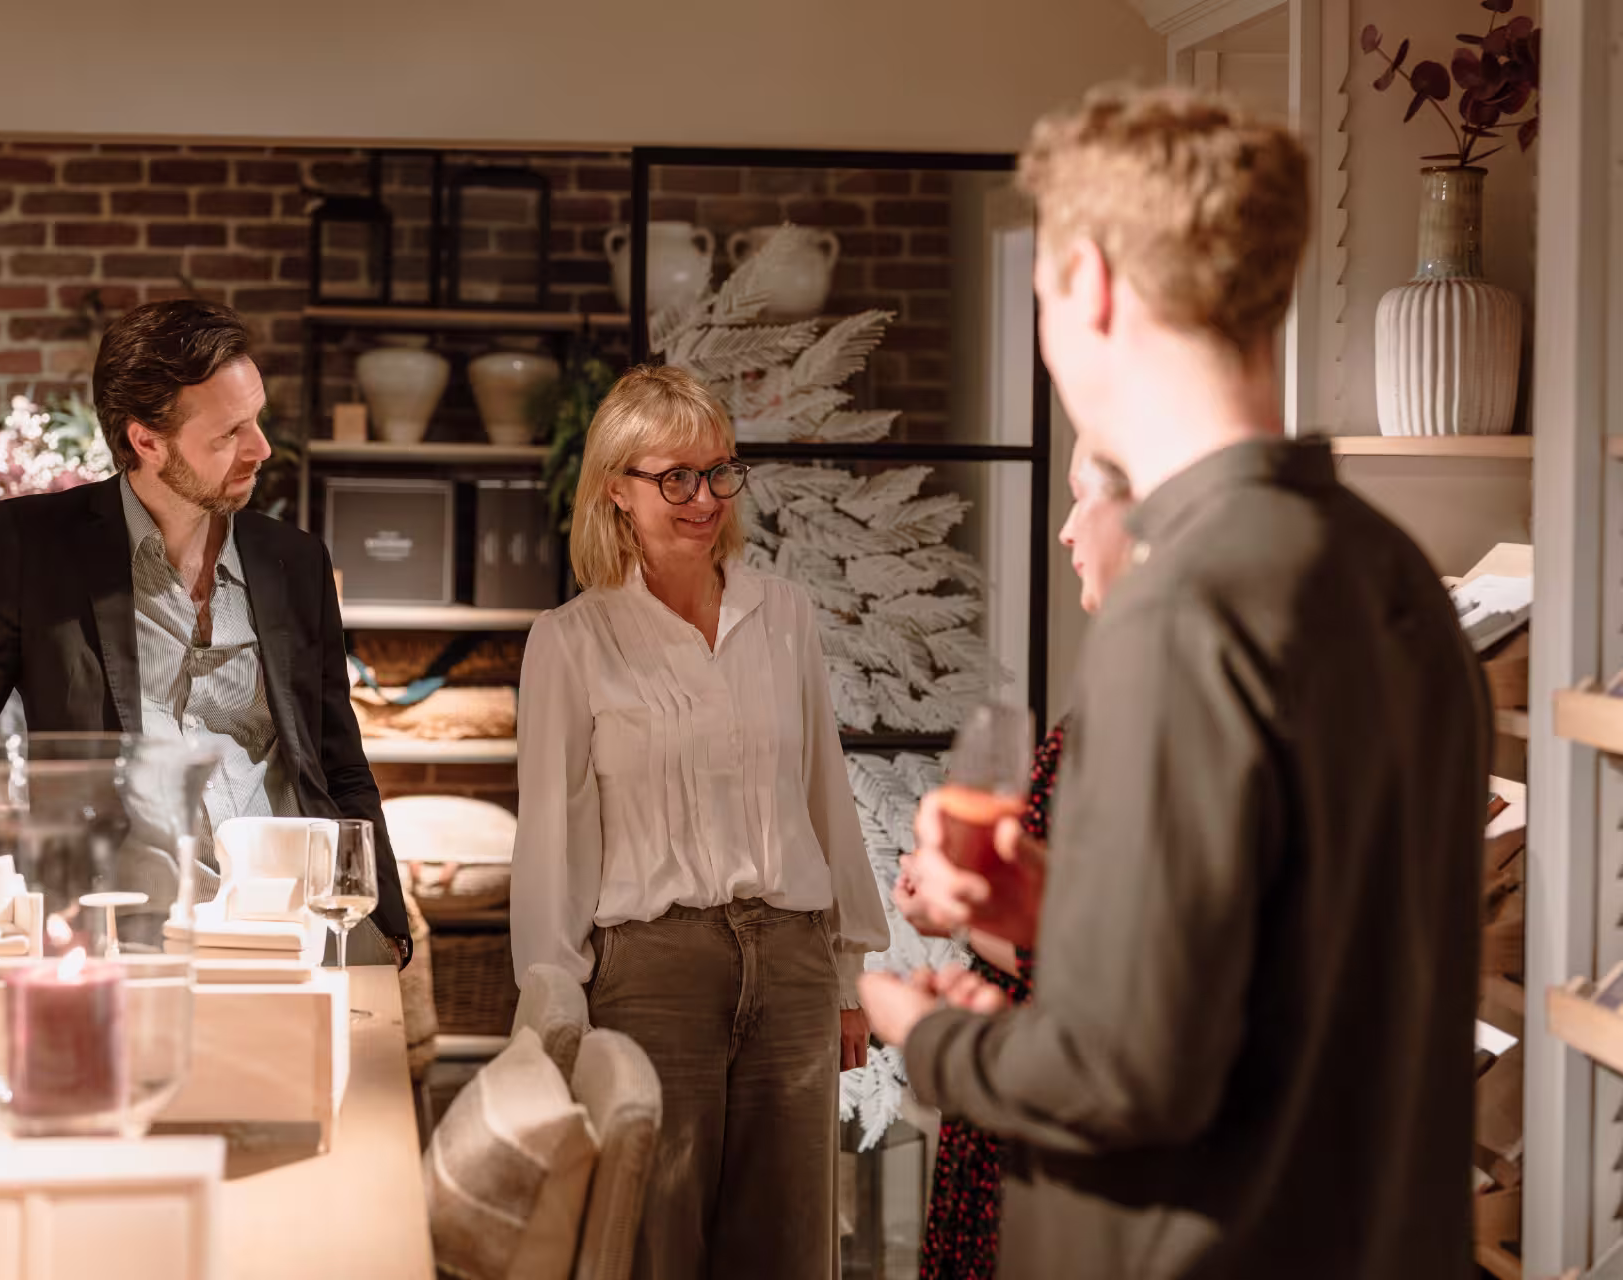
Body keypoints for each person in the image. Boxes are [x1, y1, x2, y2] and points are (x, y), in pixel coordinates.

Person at [860, 85, 1487, 1279]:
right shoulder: (1394, 570)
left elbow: (1125, 1073)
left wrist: (931, 1037)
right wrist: (1061, 910)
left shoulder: (1182, 605)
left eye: (1043, 292)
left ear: (1090, 284)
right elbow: (1303, 962)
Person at [0, 298, 411, 979]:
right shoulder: (33, 548)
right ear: (147, 441)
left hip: (297, 932)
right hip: (126, 940)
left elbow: (339, 765)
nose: (261, 448)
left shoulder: (294, 562)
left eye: (258, 419)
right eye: (229, 433)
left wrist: (387, 923)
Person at [511, 364, 888, 1279]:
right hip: (651, 973)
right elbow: (554, 840)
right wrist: (553, 1013)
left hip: (793, 964)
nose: (705, 498)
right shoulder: (571, 640)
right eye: (675, 478)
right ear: (617, 489)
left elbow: (823, 793)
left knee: (792, 1246)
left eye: (719, 471)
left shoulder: (784, 615)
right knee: (654, 1242)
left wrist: (846, 974)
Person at [904, 443, 1133, 1280]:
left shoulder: (1137, 720)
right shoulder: (1117, 694)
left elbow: (1091, 955)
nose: (1065, 531)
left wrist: (954, 917)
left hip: (1043, 1097)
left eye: (1080, 498)